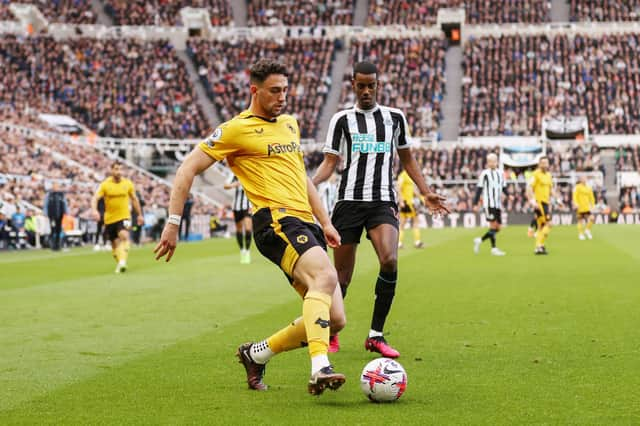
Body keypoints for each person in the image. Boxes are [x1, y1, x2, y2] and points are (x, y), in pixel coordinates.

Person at [154, 59, 347, 395]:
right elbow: (188, 168)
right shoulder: (235, 129)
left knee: (336, 319)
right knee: (326, 278)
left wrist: (325, 221)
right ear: (254, 90)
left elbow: (301, 177)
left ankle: (256, 354)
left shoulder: (289, 124)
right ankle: (320, 367)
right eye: (275, 91)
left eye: (286, 89)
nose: (283, 97)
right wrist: (173, 222)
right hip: (275, 220)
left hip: (305, 222)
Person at [312, 61, 449, 357]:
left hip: (382, 201)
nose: (365, 91)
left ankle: (375, 334)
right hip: (348, 202)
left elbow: (407, 158)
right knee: (342, 277)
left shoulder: (394, 118)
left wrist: (426, 192)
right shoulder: (342, 120)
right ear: (352, 85)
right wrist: (307, 186)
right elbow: (330, 162)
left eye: (370, 85)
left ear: (378, 85)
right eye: (360, 85)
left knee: (389, 260)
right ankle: (332, 331)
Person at [91, 162, 144, 273]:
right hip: (109, 218)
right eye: (116, 169)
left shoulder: (128, 184)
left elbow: (134, 199)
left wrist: (139, 214)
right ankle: (120, 262)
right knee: (114, 244)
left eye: (121, 169)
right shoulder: (105, 184)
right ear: (111, 170)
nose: (119, 172)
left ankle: (123, 262)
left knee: (124, 235)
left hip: (125, 216)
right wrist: (94, 210)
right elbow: (95, 198)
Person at [473, 153, 507, 256]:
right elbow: (479, 189)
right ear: (487, 163)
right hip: (488, 203)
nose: (492, 163)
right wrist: (475, 203)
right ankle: (494, 249)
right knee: (493, 225)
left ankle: (480, 240)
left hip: (497, 204)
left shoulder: (501, 173)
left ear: (497, 162)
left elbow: (503, 187)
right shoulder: (485, 174)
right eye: (490, 161)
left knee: (498, 227)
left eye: (494, 161)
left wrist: (508, 195)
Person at [527, 156, 554, 255]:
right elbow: (529, 188)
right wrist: (533, 201)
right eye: (542, 163)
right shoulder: (535, 174)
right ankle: (539, 246)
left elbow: (551, 190)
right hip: (539, 203)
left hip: (546, 203)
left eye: (546, 163)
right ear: (539, 164)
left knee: (541, 227)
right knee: (549, 224)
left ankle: (540, 246)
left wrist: (558, 200)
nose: (544, 165)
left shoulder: (549, 175)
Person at [224, 175, 252, 264]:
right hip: (236, 207)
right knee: (239, 229)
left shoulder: (248, 172)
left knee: (248, 229)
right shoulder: (233, 174)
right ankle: (242, 250)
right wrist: (235, 184)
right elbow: (225, 186)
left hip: (247, 206)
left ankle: (247, 251)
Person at [397, 166, 424, 249]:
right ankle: (417, 242)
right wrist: (401, 201)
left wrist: (422, 198)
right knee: (415, 221)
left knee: (402, 223)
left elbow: (413, 190)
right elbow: (399, 189)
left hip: (406, 202)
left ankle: (399, 243)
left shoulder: (408, 175)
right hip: (407, 203)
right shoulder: (403, 176)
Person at [44, 182, 68, 251]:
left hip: (60, 214)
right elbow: (46, 204)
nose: (56, 187)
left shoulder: (61, 195)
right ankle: (52, 245)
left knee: (58, 230)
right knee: (52, 229)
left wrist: (66, 212)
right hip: (52, 215)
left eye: (57, 186)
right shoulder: (49, 194)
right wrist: (45, 213)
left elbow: (64, 203)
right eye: (54, 186)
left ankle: (58, 245)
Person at [573, 176, 595, 240]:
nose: (584, 180)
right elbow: (574, 196)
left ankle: (587, 230)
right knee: (580, 221)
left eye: (585, 179)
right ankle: (580, 234)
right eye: (583, 179)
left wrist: (593, 205)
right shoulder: (577, 187)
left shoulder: (589, 188)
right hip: (580, 207)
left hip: (587, 207)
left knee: (592, 218)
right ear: (580, 180)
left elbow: (592, 197)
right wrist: (575, 203)